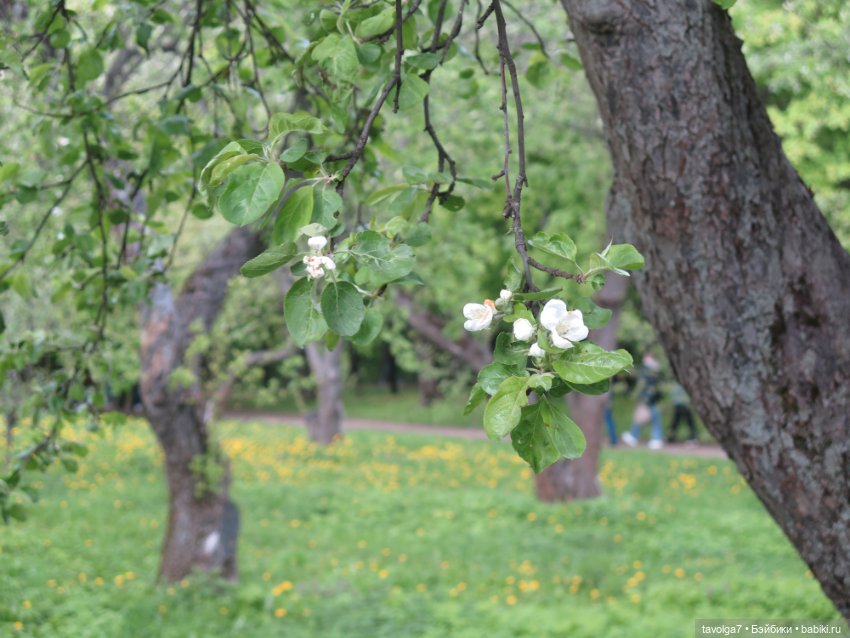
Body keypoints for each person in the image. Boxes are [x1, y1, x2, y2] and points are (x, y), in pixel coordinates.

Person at [621, 353, 664, 449]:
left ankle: (637, 436)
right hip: (650, 399)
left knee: (649, 418)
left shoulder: (650, 371)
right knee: (648, 418)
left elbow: (646, 385)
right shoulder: (651, 371)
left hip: (649, 399)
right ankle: (637, 436)